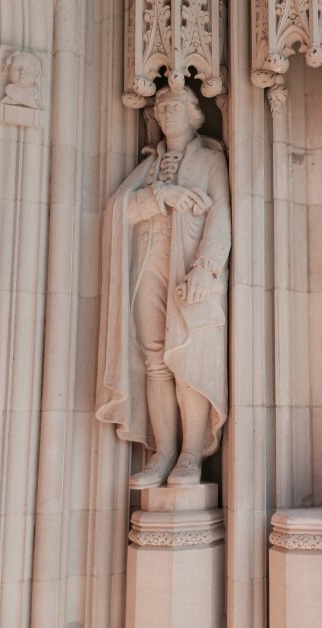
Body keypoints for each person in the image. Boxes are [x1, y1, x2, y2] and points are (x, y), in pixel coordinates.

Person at [95, 85, 230, 488]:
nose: (165, 112)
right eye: (161, 107)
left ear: (195, 113)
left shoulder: (209, 161)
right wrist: (161, 195)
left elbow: (221, 213)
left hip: (188, 270)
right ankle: (164, 452)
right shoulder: (148, 168)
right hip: (149, 267)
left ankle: (190, 454)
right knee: (155, 360)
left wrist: (206, 268)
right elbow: (121, 209)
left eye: (175, 105)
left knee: (187, 360)